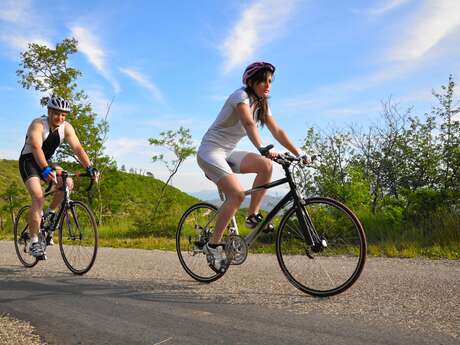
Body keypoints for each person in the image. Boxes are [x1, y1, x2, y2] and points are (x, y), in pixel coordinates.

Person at [197, 61, 307, 271]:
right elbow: (248, 123)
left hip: (227, 153)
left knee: (266, 166)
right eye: (264, 81)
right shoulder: (240, 97)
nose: (268, 85)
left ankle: (251, 216)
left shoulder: (262, 105)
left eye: (270, 81)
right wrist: (262, 147)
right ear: (251, 81)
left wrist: (299, 152)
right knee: (237, 195)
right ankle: (213, 244)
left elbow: (278, 131)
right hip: (210, 152)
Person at [19, 95, 98, 258]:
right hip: (29, 161)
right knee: (38, 197)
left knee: (68, 182)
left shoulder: (66, 128)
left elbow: (78, 148)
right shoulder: (38, 124)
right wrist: (46, 169)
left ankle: (49, 214)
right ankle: (34, 241)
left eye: (63, 115)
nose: (60, 117)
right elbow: (35, 147)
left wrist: (89, 167)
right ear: (49, 111)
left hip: (46, 161)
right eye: (56, 113)